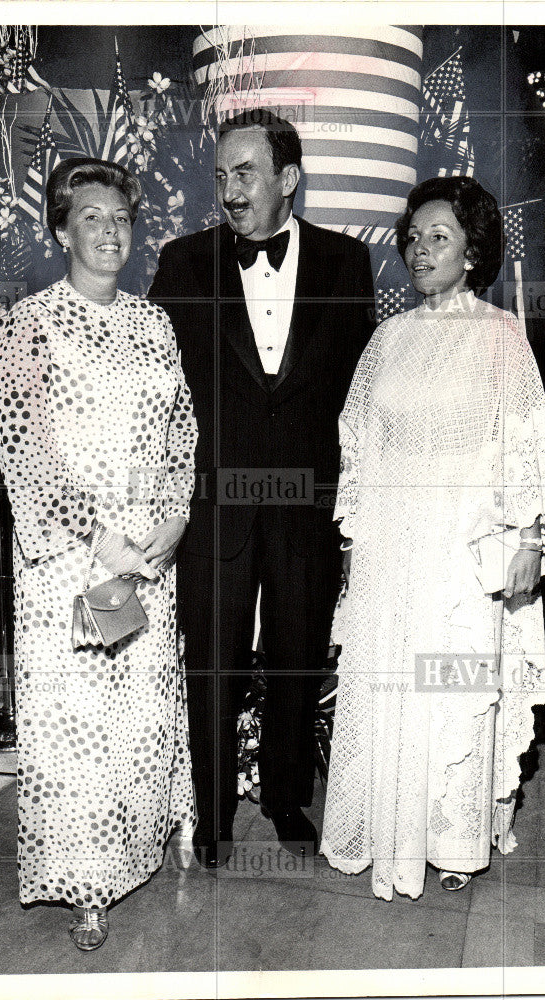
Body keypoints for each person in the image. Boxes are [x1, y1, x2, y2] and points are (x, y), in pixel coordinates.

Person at [321, 176, 545, 899]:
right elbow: (356, 442)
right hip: (390, 546)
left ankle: (453, 838)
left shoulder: (500, 337)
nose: (420, 250)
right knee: (390, 682)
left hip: (461, 547)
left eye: (440, 237)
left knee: (450, 684)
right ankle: (388, 830)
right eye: (414, 237)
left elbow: (525, 438)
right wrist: (353, 536)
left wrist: (527, 536)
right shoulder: (386, 340)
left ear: (471, 252)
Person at [149, 109, 375, 867]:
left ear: (289, 179)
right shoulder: (182, 264)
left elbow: (360, 393)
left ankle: (284, 797)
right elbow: (152, 387)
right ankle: (209, 818)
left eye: (245, 173)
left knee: (295, 658)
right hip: (215, 507)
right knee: (210, 662)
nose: (229, 190)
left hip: (306, 507)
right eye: (220, 175)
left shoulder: (348, 266)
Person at [0, 157, 197, 949]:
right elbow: (27, 455)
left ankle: (143, 845)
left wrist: (173, 516)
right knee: (77, 724)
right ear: (59, 228)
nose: (110, 231)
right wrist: (100, 536)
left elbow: (181, 430)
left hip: (148, 557)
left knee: (142, 716)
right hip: (69, 565)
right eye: (92, 218)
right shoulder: (25, 326)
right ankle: (86, 885)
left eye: (121, 219)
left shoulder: (156, 324)